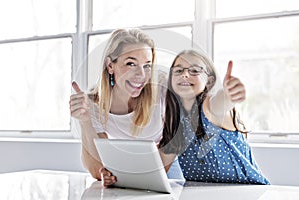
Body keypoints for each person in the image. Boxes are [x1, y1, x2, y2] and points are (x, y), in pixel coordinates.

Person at [69, 28, 183, 182]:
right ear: (110, 65)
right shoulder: (95, 103)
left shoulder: (163, 88)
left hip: (167, 162)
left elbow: (171, 145)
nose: (141, 75)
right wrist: (85, 121)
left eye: (147, 65)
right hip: (125, 168)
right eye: (131, 64)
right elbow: (97, 169)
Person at [158, 49, 270, 184]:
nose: (185, 74)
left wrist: (228, 95)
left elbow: (219, 104)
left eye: (194, 70)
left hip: (249, 193)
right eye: (178, 71)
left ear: (209, 81)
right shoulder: (174, 122)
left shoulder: (209, 107)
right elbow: (157, 171)